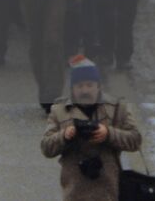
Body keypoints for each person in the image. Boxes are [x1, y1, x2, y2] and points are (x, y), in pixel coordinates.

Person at [40, 57, 143, 201]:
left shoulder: (116, 107)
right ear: (72, 88)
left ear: (98, 86)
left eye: (89, 85)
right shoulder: (59, 110)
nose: (85, 90)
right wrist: (65, 136)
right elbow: (46, 147)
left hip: (109, 189)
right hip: (74, 191)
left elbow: (135, 139)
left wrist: (108, 134)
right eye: (80, 86)